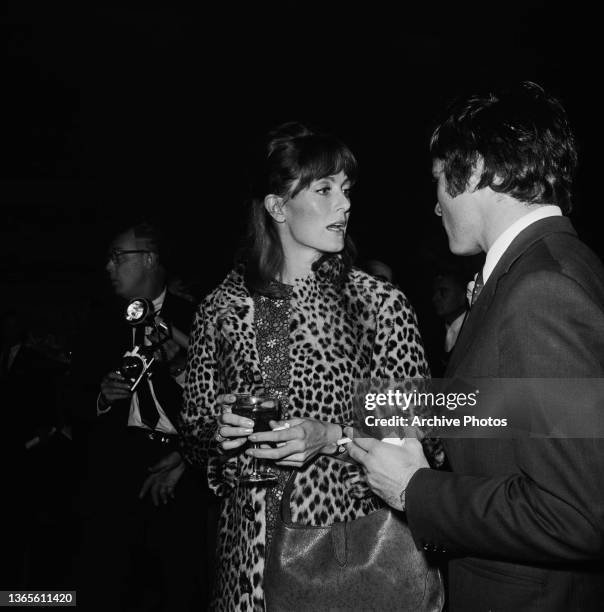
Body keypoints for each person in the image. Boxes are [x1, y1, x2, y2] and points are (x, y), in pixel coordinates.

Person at [347, 81, 604, 610]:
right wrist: (410, 410)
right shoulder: (550, 263)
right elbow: (518, 416)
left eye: (441, 181)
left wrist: (414, 490)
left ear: (485, 170)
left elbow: (579, 515)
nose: (436, 204)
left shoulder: (540, 288)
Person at [179, 122, 436, 611]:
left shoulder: (376, 303)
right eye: (324, 189)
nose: (344, 203)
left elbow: (421, 435)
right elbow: (193, 432)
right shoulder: (223, 308)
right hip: (245, 562)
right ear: (278, 207)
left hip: (351, 553)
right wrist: (223, 433)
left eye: (346, 189)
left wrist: (333, 436)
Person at [70, 221, 216, 611]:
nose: (109, 266)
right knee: (109, 585)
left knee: (182, 586)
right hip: (115, 473)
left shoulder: (201, 317)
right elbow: (69, 400)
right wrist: (100, 398)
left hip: (183, 471)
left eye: (118, 257)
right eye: (109, 258)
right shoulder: (98, 323)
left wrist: (185, 370)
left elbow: (225, 401)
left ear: (149, 259)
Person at [429, 270, 469, 376]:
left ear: (463, 295)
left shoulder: (477, 330)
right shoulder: (431, 333)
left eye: (443, 291)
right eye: (434, 292)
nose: (435, 298)